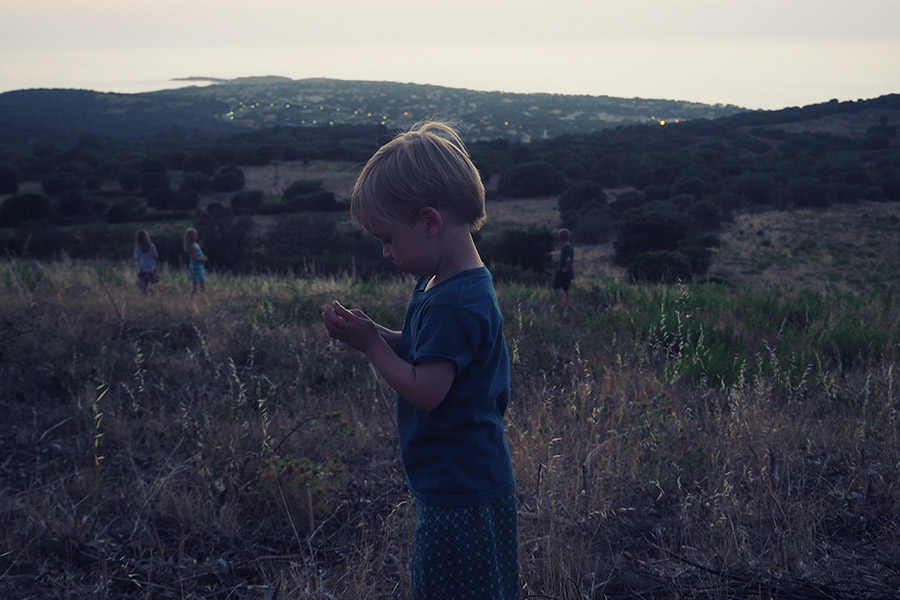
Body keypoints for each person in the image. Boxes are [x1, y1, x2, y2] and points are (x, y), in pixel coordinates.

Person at [322, 121, 518, 600]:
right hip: (466, 476)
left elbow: (427, 391)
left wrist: (371, 346)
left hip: (461, 485)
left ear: (430, 221)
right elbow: (425, 351)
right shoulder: (444, 282)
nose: (386, 252)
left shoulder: (454, 300)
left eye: (387, 239)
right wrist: (375, 333)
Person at [551, 228, 574, 308]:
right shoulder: (570, 247)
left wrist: (565, 269)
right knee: (566, 288)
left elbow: (568, 259)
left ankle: (561, 303)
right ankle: (568, 304)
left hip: (563, 272)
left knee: (556, 286)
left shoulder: (565, 248)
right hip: (569, 272)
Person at [133, 229, 159, 294]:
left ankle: (149, 295)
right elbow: (156, 255)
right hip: (152, 267)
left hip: (142, 269)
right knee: (150, 284)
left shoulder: (138, 247)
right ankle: (154, 294)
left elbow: (136, 257)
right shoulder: (151, 246)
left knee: (143, 285)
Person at [183, 227, 207, 293]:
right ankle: (200, 291)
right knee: (199, 279)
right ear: (191, 237)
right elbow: (194, 258)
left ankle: (198, 291)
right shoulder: (192, 246)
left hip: (199, 265)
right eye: (195, 235)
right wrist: (202, 259)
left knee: (199, 278)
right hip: (196, 265)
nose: (196, 236)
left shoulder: (196, 244)